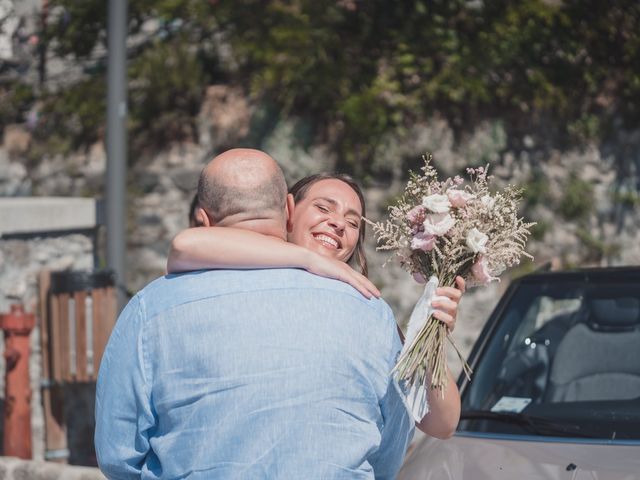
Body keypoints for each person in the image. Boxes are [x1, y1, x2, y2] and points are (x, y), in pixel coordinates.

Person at [95, 148, 416, 479]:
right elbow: (390, 446)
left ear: (203, 219)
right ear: (289, 209)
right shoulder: (369, 308)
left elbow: (118, 455)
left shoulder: (150, 309)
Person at [168, 173, 464, 438]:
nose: (337, 223)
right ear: (288, 212)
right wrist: (309, 260)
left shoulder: (368, 309)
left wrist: (431, 332)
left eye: (352, 223)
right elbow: (186, 245)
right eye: (323, 208)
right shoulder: (248, 271)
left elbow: (441, 423)